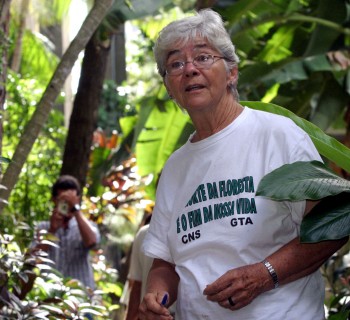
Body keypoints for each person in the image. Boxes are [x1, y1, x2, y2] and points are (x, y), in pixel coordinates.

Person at [138, 8, 348, 320]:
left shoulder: (278, 135)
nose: (190, 70)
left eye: (203, 57)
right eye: (175, 64)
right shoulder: (175, 167)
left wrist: (265, 275)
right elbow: (165, 263)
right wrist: (157, 297)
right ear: (170, 87)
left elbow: (333, 225)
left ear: (232, 72)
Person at [33, 175, 100, 290]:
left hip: (80, 297)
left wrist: (76, 210)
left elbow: (92, 242)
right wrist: (51, 231)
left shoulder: (87, 226)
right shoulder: (43, 227)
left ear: (77, 199)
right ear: (54, 200)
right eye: (64, 201)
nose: (68, 205)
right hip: (49, 295)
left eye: (71, 201)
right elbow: (33, 259)